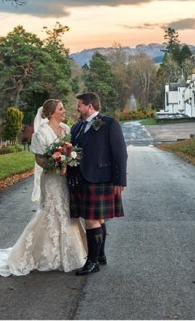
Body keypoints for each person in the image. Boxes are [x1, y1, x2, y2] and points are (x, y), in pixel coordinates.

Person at [0, 99, 87, 276]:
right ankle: (44, 255)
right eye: (60, 109)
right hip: (51, 179)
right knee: (51, 210)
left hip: (65, 179)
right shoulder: (41, 133)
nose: (64, 111)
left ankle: (72, 253)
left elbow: (71, 151)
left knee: (67, 210)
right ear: (50, 113)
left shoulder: (66, 129)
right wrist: (56, 164)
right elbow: (39, 159)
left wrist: (68, 161)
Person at [69, 92, 128, 276]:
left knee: (91, 220)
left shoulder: (109, 124)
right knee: (98, 219)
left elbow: (120, 153)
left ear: (90, 106)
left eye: (80, 105)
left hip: (101, 178)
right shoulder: (77, 126)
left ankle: (92, 262)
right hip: (81, 179)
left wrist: (120, 180)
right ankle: (100, 255)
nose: (77, 108)